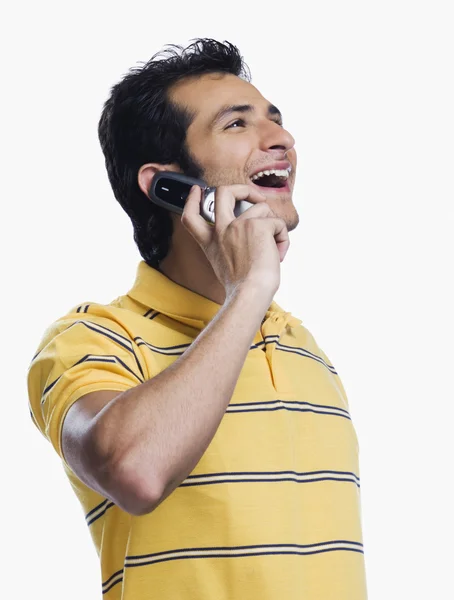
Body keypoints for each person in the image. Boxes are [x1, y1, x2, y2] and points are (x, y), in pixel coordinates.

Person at [27, 38, 368, 599]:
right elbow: (135, 472)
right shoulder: (90, 338)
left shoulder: (301, 345)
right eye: (237, 125)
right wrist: (246, 292)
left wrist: (249, 298)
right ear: (164, 184)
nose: (280, 139)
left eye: (275, 120)